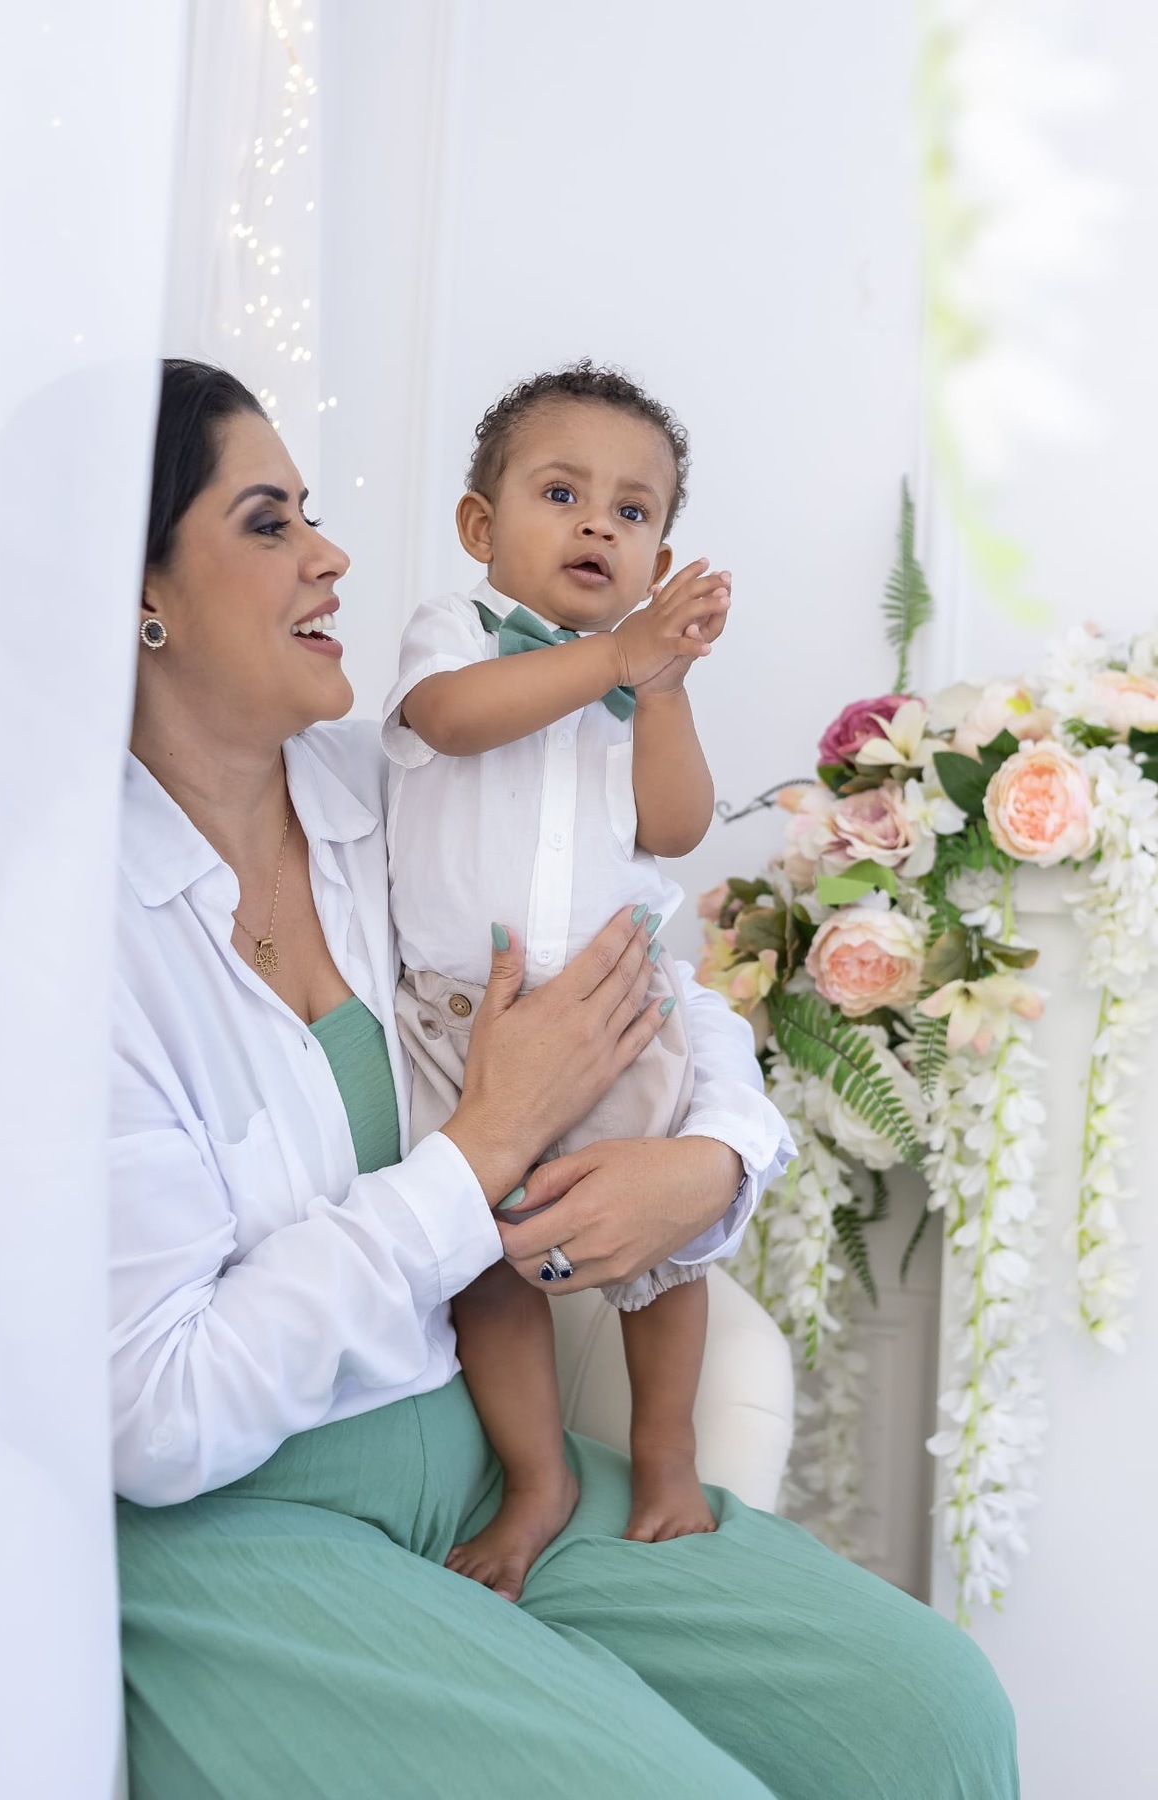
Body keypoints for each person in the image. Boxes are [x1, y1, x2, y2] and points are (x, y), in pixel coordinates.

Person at [112, 357, 1018, 1800]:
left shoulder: (372, 791)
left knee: (932, 1713)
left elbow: (633, 944)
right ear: (136, 589)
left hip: (467, 1449)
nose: (333, 553)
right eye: (271, 522)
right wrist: (485, 1149)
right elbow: (155, 1413)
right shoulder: (68, 941)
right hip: (240, 1514)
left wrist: (715, 1156)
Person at [383, 363, 745, 1600]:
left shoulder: (639, 683)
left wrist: (663, 691)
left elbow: (679, 826)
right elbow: (450, 722)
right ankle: (538, 1480)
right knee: (481, 1258)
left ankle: (664, 1449)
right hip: (457, 1024)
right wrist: (607, 664)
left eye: (633, 511)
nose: (600, 522)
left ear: (659, 554)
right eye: (561, 491)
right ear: (484, 528)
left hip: (615, 1011)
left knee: (673, 1249)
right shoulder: (455, 632)